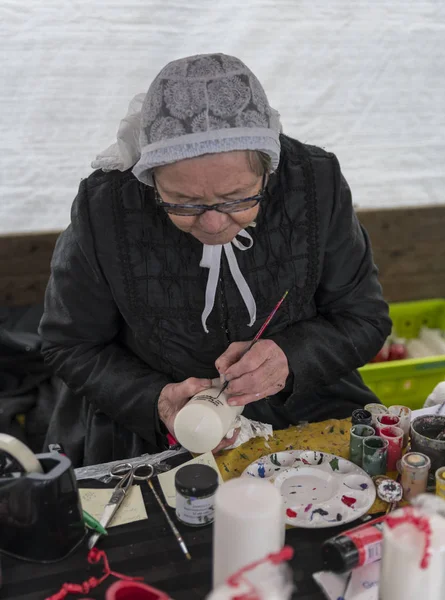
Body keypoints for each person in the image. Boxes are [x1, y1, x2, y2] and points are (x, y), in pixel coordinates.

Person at [39, 53, 391, 467]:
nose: (211, 222)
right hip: (153, 429)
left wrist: (290, 358)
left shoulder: (314, 183)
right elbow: (70, 344)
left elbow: (364, 318)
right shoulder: (106, 208)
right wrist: (155, 400)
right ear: (150, 178)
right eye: (183, 203)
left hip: (307, 404)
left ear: (268, 170)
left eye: (236, 199)